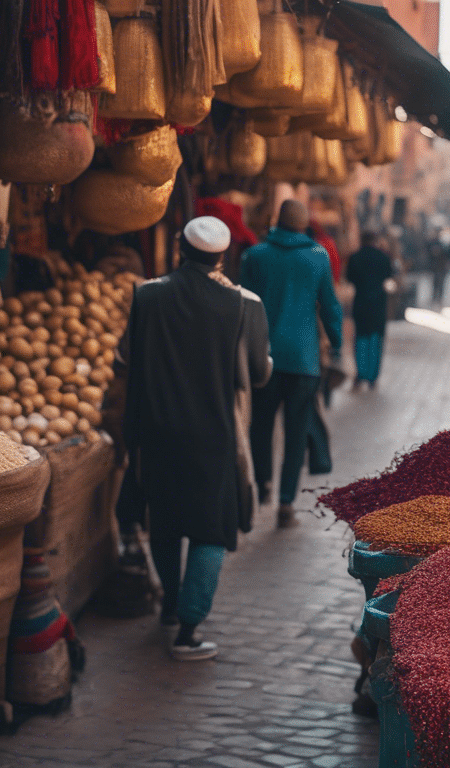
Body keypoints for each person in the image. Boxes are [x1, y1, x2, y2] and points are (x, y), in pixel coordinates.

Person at [118, 216, 272, 660]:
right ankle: (188, 629)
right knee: (210, 529)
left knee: (164, 521)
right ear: (222, 256)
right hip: (215, 434)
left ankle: (170, 603)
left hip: (157, 429)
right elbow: (259, 374)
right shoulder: (246, 304)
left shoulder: (147, 294)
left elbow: (127, 355)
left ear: (180, 250)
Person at [241, 200, 344, 529]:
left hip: (263, 356)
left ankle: (263, 484)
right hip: (303, 360)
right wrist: (337, 343)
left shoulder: (255, 255)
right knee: (297, 432)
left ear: (276, 222)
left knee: (261, 424)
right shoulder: (317, 256)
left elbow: (242, 303)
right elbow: (329, 305)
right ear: (304, 226)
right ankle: (286, 501)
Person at [344, 231, 394, 389]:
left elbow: (349, 277)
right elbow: (389, 276)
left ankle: (360, 373)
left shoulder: (355, 257)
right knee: (375, 339)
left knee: (360, 338)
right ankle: (373, 376)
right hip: (378, 303)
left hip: (361, 303)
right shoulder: (384, 257)